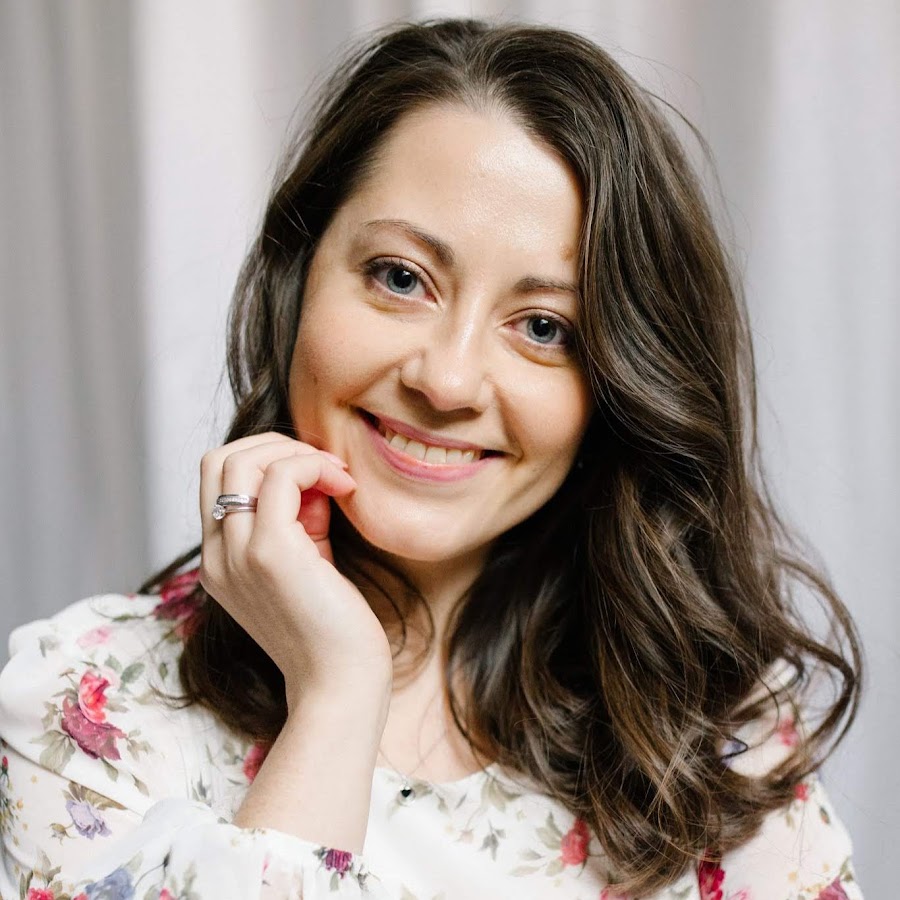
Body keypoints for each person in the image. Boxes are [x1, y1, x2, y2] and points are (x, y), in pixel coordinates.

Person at [0, 17, 863, 900]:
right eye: (401, 277)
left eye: (543, 327)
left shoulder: (716, 739)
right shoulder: (84, 703)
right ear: (298, 280)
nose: (447, 381)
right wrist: (336, 695)